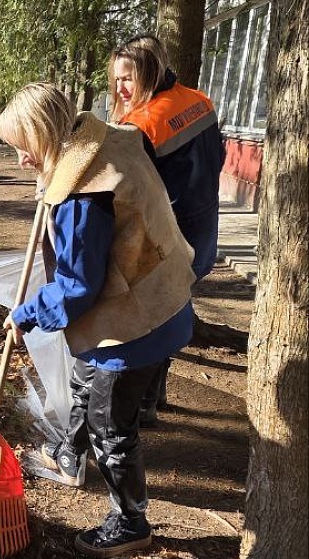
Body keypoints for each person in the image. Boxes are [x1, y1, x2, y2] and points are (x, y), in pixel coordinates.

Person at [0, 82, 196, 557]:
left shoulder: (82, 198)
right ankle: (69, 453)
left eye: (24, 149)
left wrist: (25, 314)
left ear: (47, 136)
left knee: (112, 426)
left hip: (134, 326)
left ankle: (130, 522)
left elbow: (75, 289)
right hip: (163, 293)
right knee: (88, 387)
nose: (22, 160)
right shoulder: (108, 143)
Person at [109, 34, 226, 426]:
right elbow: (219, 157)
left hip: (168, 236)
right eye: (117, 80)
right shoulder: (200, 101)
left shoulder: (142, 124)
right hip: (204, 226)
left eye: (128, 79)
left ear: (149, 72)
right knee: (176, 308)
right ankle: (155, 394)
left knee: (153, 316)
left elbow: (124, 189)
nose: (121, 89)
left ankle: (143, 404)